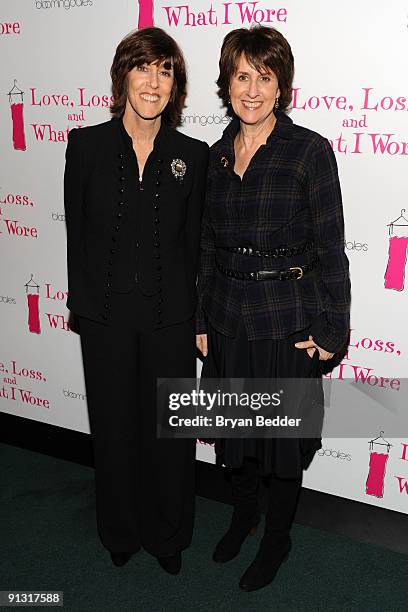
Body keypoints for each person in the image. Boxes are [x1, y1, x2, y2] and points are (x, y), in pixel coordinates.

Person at [196, 26, 350, 592]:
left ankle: (277, 537)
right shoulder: (212, 157)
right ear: (227, 84)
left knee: (282, 445)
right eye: (242, 76)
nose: (253, 89)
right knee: (236, 438)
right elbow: (206, 247)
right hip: (227, 317)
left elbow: (330, 247)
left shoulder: (309, 151)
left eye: (265, 77)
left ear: (282, 86)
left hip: (288, 321)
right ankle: (243, 514)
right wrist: (199, 321)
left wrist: (334, 328)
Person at [64, 27, 208, 575]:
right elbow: (77, 231)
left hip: (171, 317)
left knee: (169, 434)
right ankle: (119, 530)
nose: (154, 81)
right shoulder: (85, 145)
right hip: (104, 316)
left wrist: (194, 316)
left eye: (165, 70)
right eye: (143, 67)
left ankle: (168, 534)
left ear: (175, 85)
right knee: (115, 428)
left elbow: (196, 243)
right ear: (123, 76)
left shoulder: (192, 156)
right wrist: (84, 305)